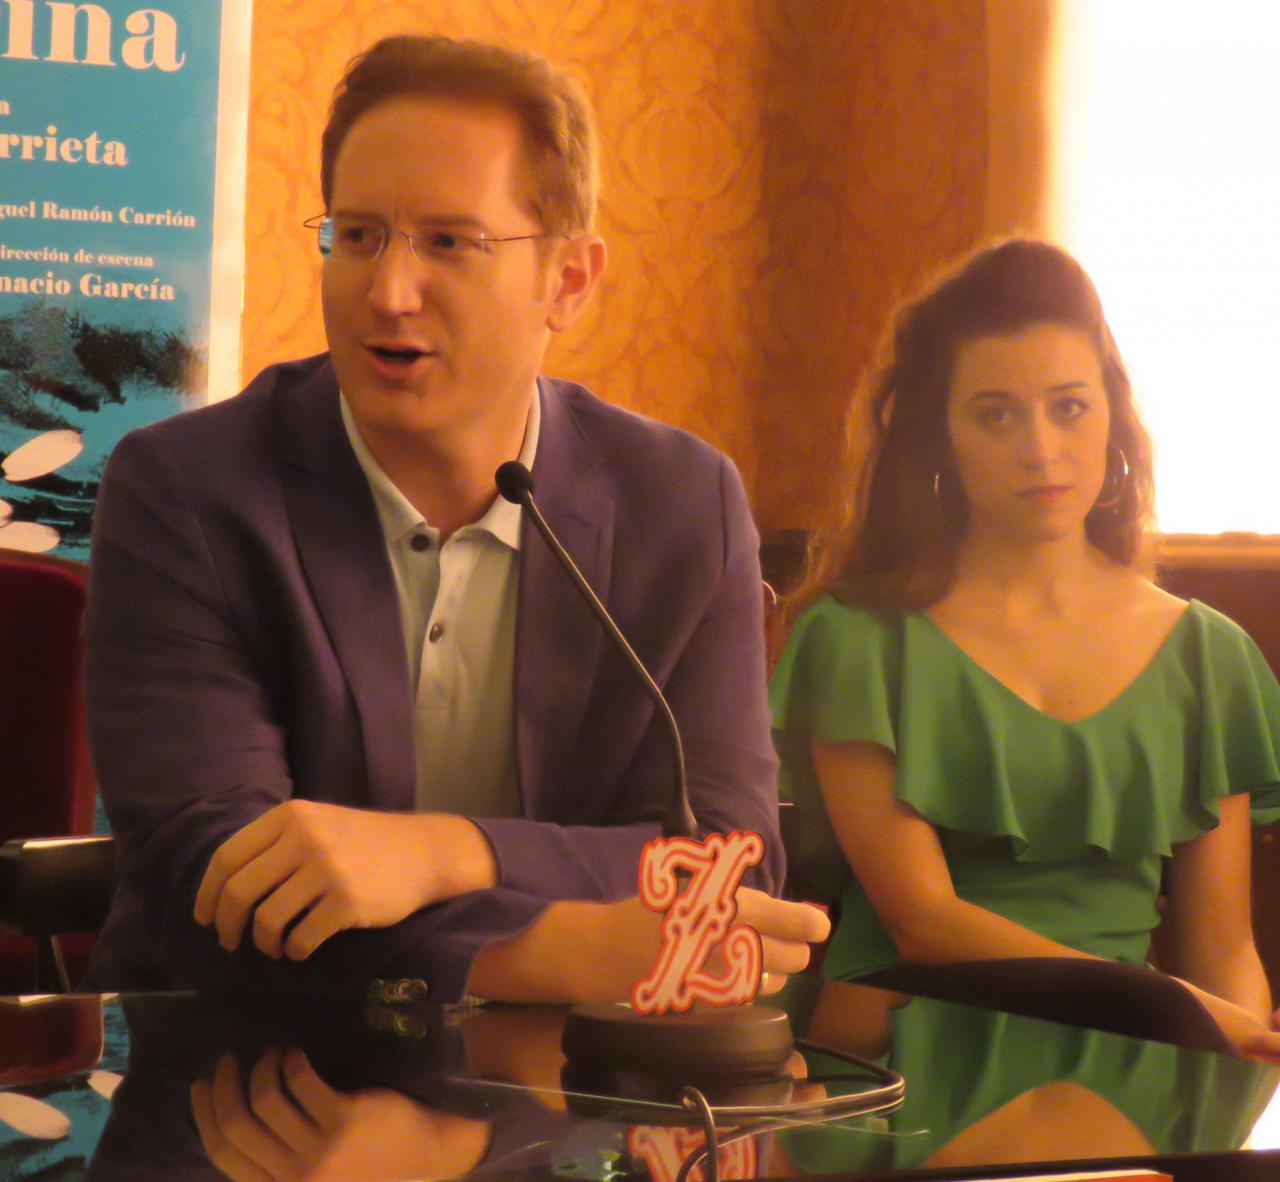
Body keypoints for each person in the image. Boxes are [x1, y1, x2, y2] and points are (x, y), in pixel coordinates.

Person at [84, 34, 827, 1003]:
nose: (388, 294)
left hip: (572, 1075)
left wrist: (450, 851)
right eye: (358, 236)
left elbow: (728, 856)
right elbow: (218, 872)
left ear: (567, 281)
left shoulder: (682, 503)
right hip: (243, 1056)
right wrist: (536, 954)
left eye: (448, 243)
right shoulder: (188, 489)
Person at [769, 238, 1280, 1054]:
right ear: (941, 436)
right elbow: (922, 922)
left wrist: (1246, 1065)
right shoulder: (858, 639)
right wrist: (1163, 1008)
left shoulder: (1207, 658)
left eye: (1068, 407)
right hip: (903, 1045)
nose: (1040, 449)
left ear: (1112, 418)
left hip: (1134, 1057)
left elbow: (1224, 951)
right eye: (996, 414)